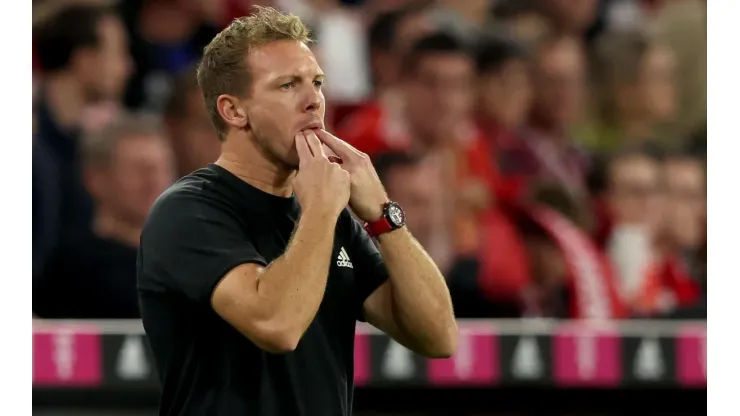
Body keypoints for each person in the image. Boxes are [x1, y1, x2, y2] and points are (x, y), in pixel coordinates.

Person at [137, 6, 457, 416]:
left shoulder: (331, 217)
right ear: (234, 111)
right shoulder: (188, 212)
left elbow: (438, 337)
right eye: (288, 86)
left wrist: (382, 215)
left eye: (317, 83)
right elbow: (276, 325)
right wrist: (322, 209)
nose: (314, 102)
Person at [34, 113, 174, 319]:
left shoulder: (191, 262)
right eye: (139, 169)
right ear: (96, 179)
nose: (154, 181)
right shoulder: (70, 272)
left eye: (162, 168)